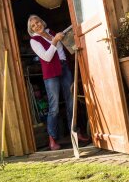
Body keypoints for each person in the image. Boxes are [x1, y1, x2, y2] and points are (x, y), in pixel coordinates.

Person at [27, 14, 88, 150]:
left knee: (71, 102)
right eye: (33, 25)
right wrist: (54, 41)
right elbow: (47, 57)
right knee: (54, 107)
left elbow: (65, 47)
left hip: (64, 68)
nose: (37, 25)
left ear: (42, 21)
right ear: (31, 29)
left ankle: (75, 133)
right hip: (51, 74)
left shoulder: (51, 32)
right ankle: (52, 140)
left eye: (38, 22)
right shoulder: (34, 41)